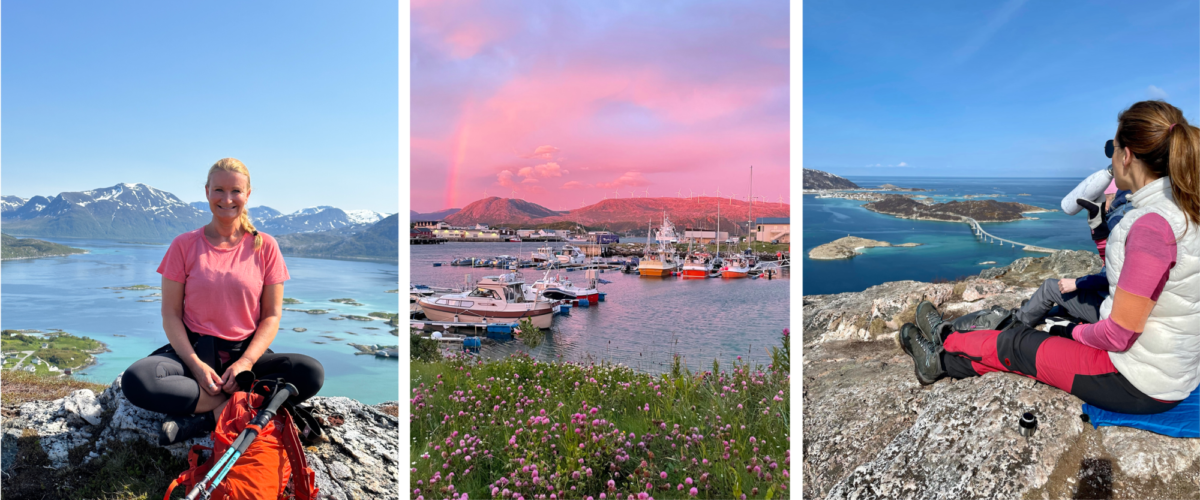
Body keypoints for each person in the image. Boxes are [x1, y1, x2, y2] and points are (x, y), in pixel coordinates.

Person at [901, 101, 1200, 414]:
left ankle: (939, 356)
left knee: (1016, 345)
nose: (1110, 155)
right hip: (1162, 363)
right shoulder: (1178, 209)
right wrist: (1100, 234)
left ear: (1126, 155)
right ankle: (949, 336)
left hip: (1136, 379)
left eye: (1111, 146)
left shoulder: (1152, 225)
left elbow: (1119, 334)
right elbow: (1133, 277)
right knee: (1057, 302)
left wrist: (1067, 332)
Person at [122, 158, 325, 445]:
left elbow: (271, 317)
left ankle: (206, 416)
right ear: (207, 192)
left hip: (246, 359)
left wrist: (246, 363)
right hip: (193, 351)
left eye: (236, 191)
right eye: (219, 189)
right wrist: (194, 365)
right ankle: (236, 406)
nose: (227, 199)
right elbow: (170, 314)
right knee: (137, 380)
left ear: (248, 194)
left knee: (310, 373)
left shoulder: (265, 246)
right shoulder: (184, 244)